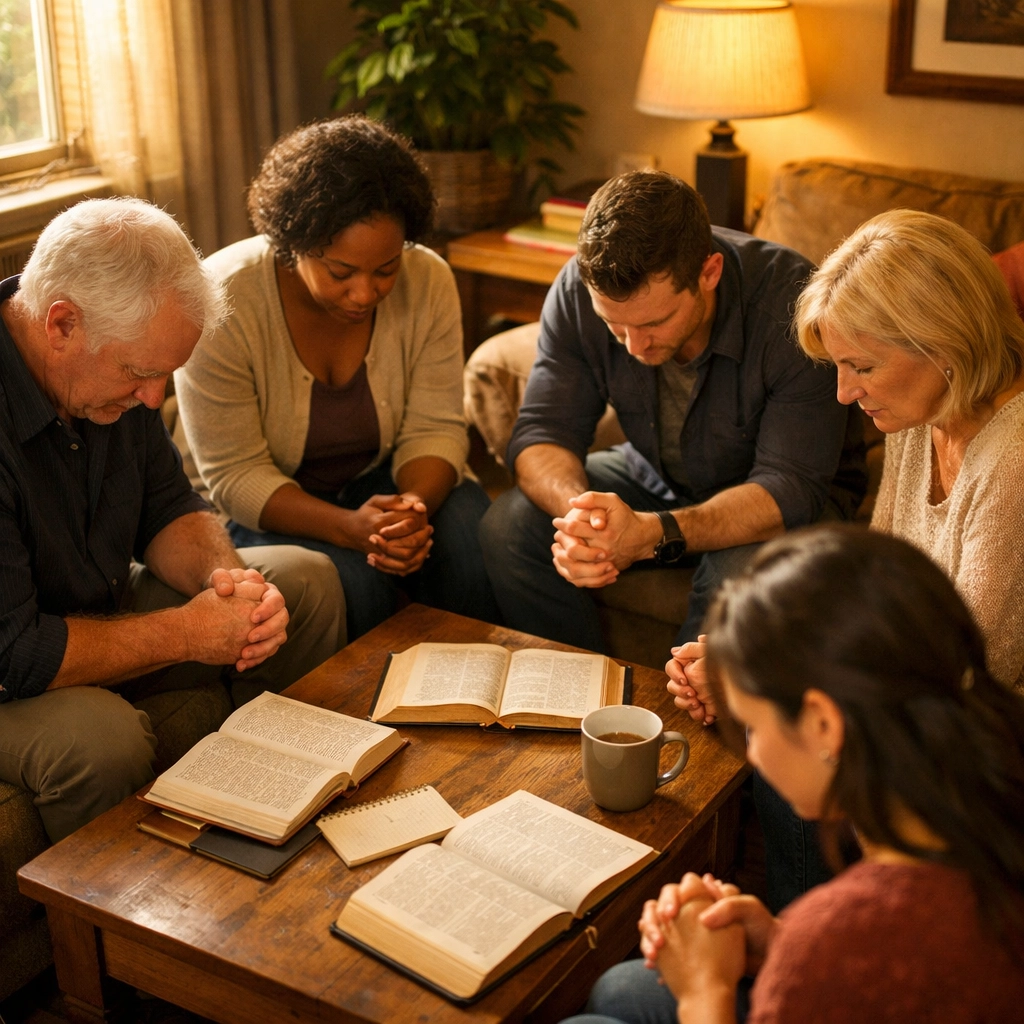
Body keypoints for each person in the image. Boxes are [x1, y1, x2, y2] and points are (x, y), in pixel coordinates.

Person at [564, 526, 1024, 1024]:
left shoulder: (835, 937)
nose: (753, 754)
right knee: (618, 990)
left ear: (824, 723)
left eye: (754, 727)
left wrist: (705, 991)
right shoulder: (986, 801)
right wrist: (779, 936)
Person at [0, 198, 346, 843]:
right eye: (139, 373)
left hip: (85, 604)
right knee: (99, 739)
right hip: (10, 661)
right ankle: (106, 932)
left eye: (164, 375)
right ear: (61, 323)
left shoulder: (111, 372)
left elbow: (168, 504)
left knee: (303, 579)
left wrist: (233, 588)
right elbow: (15, 653)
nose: (153, 400)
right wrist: (188, 634)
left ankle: (289, 809)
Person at [479, 171, 863, 654]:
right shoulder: (578, 289)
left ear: (709, 273)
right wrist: (585, 518)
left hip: (788, 501)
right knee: (510, 524)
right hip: (656, 472)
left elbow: (790, 488)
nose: (635, 346)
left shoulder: (793, 307)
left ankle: (675, 720)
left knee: (734, 578)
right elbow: (542, 432)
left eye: (655, 322)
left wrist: (650, 534)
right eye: (614, 326)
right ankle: (573, 698)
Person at [174, 116, 500, 641]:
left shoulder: (430, 278)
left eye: (387, 269)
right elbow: (236, 476)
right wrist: (349, 529)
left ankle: (477, 696)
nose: (366, 293)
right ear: (292, 242)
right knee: (356, 583)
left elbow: (437, 427)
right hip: (265, 509)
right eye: (341, 273)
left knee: (469, 531)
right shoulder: (222, 299)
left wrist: (410, 512)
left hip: (380, 482)